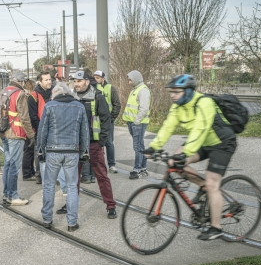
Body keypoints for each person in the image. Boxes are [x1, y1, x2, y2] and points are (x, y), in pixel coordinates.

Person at [144, 74, 237, 241]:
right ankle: (202, 186)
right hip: (203, 142)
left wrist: (185, 154)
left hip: (223, 143)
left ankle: (216, 227)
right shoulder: (177, 107)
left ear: (188, 91)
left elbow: (200, 130)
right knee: (173, 162)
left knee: (212, 184)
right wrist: (154, 147)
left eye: (176, 92)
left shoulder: (204, 103)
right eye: (171, 92)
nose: (172, 95)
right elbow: (167, 127)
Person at [37, 82, 89, 231]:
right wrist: (84, 151)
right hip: (72, 152)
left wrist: (40, 151)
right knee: (72, 187)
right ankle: (72, 223)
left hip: (53, 151)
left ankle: (47, 219)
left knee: (49, 185)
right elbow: (85, 131)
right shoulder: (79, 107)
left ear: (55, 94)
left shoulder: (49, 106)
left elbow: (42, 132)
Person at [65, 69, 116, 219]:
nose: (77, 84)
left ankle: (110, 205)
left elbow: (106, 119)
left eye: (79, 81)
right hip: (76, 144)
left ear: (87, 81)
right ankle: (71, 204)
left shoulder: (97, 97)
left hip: (94, 144)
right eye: (75, 81)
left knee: (101, 175)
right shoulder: (71, 97)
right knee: (73, 177)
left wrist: (102, 141)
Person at [0, 70, 35, 206]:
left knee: (8, 164)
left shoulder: (4, 91)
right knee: (14, 165)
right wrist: (31, 135)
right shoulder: (20, 94)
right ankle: (13, 195)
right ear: (22, 82)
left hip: (3, 132)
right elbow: (25, 117)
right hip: (16, 133)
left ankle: (6, 194)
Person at [122, 70, 151, 179]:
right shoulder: (136, 89)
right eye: (129, 80)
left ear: (136, 79)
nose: (129, 82)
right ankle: (143, 167)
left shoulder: (143, 90)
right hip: (133, 122)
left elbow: (144, 108)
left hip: (138, 123)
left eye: (131, 80)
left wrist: (137, 120)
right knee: (140, 145)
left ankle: (137, 169)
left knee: (137, 146)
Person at [93, 70, 121, 173]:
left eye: (98, 77)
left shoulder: (111, 88)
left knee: (109, 142)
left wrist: (112, 118)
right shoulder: (94, 88)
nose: (96, 79)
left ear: (103, 78)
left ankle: (112, 164)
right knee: (97, 143)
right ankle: (97, 166)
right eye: (95, 77)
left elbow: (117, 104)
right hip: (96, 120)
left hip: (107, 120)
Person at [28, 71, 52, 185]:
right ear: (40, 82)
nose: (49, 82)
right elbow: (32, 116)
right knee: (39, 152)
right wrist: (39, 128)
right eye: (46, 80)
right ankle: (39, 176)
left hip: (52, 128)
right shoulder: (34, 95)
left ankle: (50, 174)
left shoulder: (53, 92)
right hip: (40, 128)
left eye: (50, 79)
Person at [22, 79, 36, 181]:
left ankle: (30, 171)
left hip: (26, 127)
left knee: (29, 150)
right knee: (28, 150)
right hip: (28, 128)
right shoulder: (28, 97)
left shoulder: (25, 96)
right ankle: (27, 173)